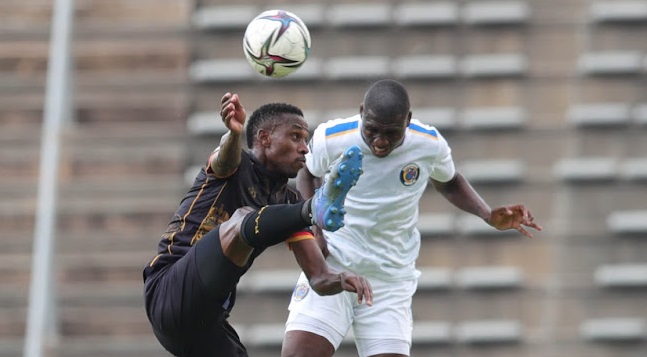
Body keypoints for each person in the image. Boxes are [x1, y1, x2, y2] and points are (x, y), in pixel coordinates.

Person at [281, 79, 543, 357]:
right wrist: (315, 231)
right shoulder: (332, 137)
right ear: (361, 112)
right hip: (334, 262)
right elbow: (308, 173)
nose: (380, 142)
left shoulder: (428, 144)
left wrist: (488, 214)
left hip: (390, 278)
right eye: (371, 130)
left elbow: (449, 181)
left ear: (408, 120)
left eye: (391, 133)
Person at [143, 92, 372, 357]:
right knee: (241, 218)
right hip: (170, 290)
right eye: (295, 137)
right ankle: (316, 207)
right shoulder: (235, 164)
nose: (305, 148)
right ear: (264, 138)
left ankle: (316, 209)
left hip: (206, 322)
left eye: (306, 140)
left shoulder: (288, 203)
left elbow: (319, 278)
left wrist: (341, 279)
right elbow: (224, 158)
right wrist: (233, 133)